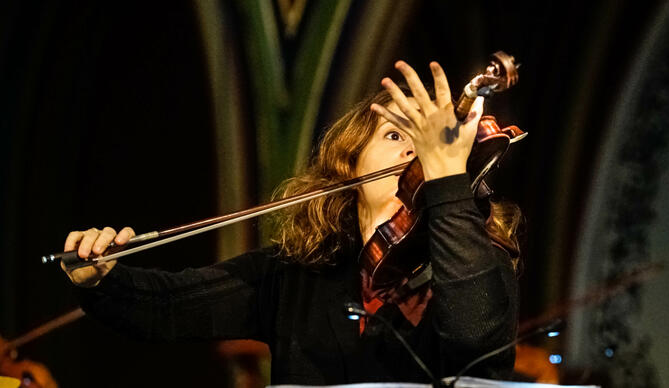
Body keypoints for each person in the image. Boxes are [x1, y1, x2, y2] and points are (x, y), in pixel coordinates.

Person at [61, 61, 521, 384]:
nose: (412, 150)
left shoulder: (477, 261)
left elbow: (474, 337)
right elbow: (170, 308)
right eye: (396, 133)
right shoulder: (296, 275)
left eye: (425, 140)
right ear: (352, 161)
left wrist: (447, 183)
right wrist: (102, 278)